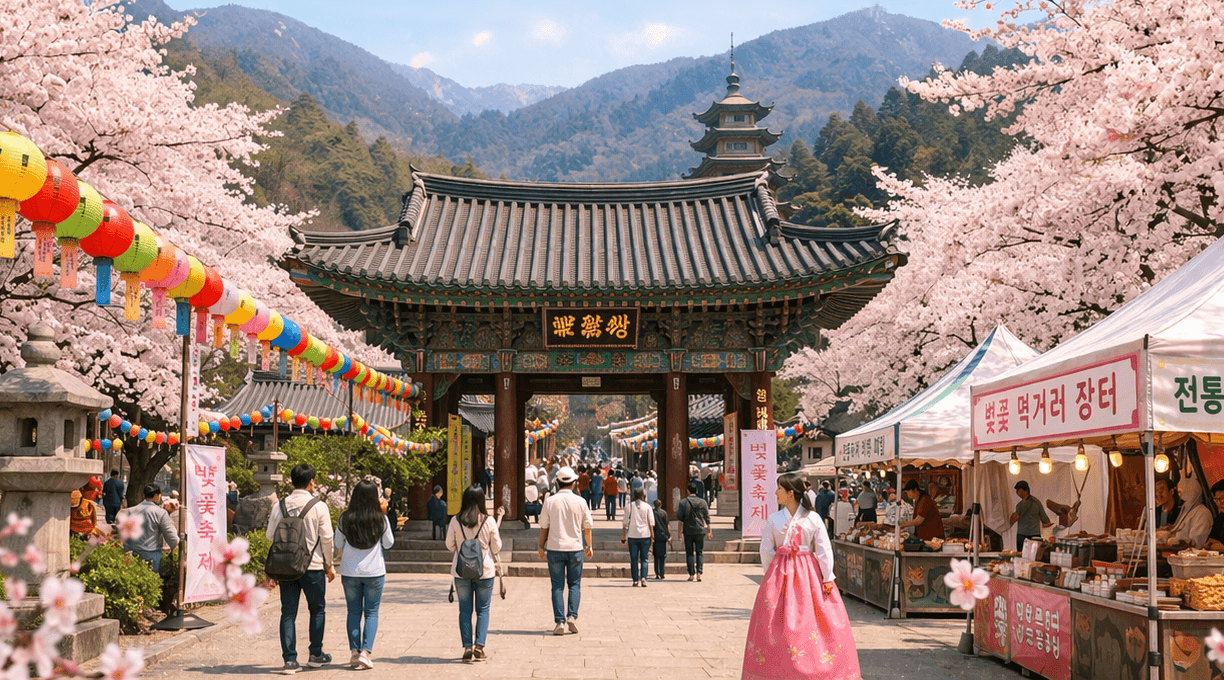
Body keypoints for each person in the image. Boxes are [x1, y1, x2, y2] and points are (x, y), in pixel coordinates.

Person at [741, 472, 860, 680]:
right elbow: (824, 550)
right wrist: (826, 576)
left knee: (777, 621)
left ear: (790, 493)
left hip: (780, 572)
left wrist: (771, 575)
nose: (776, 492)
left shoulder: (776, 519)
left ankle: (782, 668)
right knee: (813, 618)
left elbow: (767, 551)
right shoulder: (812, 518)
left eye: (779, 489)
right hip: (809, 573)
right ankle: (813, 667)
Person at [266, 463, 336, 674]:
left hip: (287, 567)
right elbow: (327, 538)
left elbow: (270, 535)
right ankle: (316, 654)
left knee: (288, 613)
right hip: (313, 567)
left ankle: (289, 660)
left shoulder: (279, 506)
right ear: (311, 481)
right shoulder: (319, 506)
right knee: (317, 610)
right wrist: (329, 564)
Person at [335, 480, 395, 670]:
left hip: (349, 571)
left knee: (353, 611)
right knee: (371, 612)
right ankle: (365, 652)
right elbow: (389, 543)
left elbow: (337, 543)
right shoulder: (381, 519)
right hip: (374, 571)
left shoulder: (345, 518)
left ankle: (354, 652)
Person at [446, 485, 504, 662]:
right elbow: (497, 547)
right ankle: (479, 646)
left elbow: (449, 545)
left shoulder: (456, 520)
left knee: (464, 610)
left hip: (461, 571)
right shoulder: (489, 521)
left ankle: (466, 647)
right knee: (483, 609)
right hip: (484, 571)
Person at [537, 466, 593, 635]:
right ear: (575, 483)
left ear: (557, 482)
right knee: (575, 584)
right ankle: (572, 617)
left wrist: (541, 546)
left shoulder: (550, 501)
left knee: (557, 586)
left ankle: (560, 621)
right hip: (576, 548)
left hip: (555, 548)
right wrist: (589, 546)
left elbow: (543, 528)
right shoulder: (581, 501)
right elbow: (587, 528)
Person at [123, 484, 178, 572]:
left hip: (134, 554)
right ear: (156, 495)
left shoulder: (131, 511)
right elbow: (172, 538)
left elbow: (126, 534)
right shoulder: (161, 513)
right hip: (153, 556)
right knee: (152, 580)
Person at [676, 480, 712, 582]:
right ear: (696, 491)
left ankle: (691, 574)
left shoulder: (683, 502)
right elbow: (707, 517)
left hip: (688, 531)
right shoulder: (703, 502)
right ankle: (699, 573)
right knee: (699, 552)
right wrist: (709, 529)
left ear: (688, 491)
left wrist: (679, 532)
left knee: (690, 552)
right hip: (700, 530)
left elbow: (680, 520)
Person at [621, 488, 654, 587]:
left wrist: (623, 536)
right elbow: (651, 523)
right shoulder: (648, 507)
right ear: (643, 495)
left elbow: (625, 524)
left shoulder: (629, 507)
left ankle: (635, 580)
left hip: (632, 535)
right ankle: (643, 578)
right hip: (645, 535)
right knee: (644, 558)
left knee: (634, 559)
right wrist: (652, 537)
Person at [1170, 477, 1213, 548]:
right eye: (1178, 493)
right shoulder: (1185, 511)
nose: (1180, 496)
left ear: (1192, 492)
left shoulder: (1203, 513)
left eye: (1182, 492)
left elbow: (1196, 542)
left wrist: (1174, 542)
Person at [1009, 480, 1052, 551]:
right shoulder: (1037, 502)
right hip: (1035, 535)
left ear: (1023, 491)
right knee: (1035, 557)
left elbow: (1014, 519)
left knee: (1022, 556)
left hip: (1022, 536)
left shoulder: (1020, 505)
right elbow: (1045, 520)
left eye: (1017, 491)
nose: (1016, 493)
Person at [651, 499, 672, 580]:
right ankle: (662, 573)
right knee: (663, 556)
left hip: (656, 536)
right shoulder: (664, 513)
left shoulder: (652, 513)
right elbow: (667, 525)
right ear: (660, 505)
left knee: (656, 556)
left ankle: (657, 573)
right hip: (663, 536)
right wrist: (670, 535)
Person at [1204, 480, 1224, 552]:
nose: (1220, 503)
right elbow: (1209, 541)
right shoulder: (1220, 517)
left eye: (1223, 499)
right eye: (1217, 499)